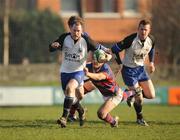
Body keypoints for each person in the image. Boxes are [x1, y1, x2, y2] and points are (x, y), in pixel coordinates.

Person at [49, 16, 109, 128]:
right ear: (70, 29)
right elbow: (51, 47)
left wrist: (107, 51)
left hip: (79, 72)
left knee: (70, 88)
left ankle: (63, 118)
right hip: (65, 72)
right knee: (74, 96)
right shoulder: (64, 38)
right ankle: (81, 111)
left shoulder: (86, 40)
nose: (76, 33)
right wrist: (53, 46)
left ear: (82, 30)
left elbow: (98, 46)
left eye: (79, 31)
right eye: (74, 30)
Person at [69, 50, 134, 127]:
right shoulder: (89, 66)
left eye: (98, 61)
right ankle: (71, 116)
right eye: (95, 60)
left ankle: (114, 122)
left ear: (103, 61)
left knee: (101, 113)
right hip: (105, 91)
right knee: (75, 94)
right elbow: (78, 68)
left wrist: (87, 74)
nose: (96, 62)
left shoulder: (105, 68)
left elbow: (99, 77)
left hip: (114, 94)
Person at [111, 19, 156, 126]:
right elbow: (114, 49)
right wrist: (119, 63)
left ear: (149, 30)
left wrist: (152, 63)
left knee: (151, 95)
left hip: (141, 70)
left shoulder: (151, 39)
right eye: (141, 29)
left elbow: (152, 49)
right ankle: (139, 119)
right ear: (138, 29)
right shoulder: (130, 40)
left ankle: (130, 93)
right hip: (128, 71)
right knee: (139, 97)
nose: (143, 32)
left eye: (145, 30)